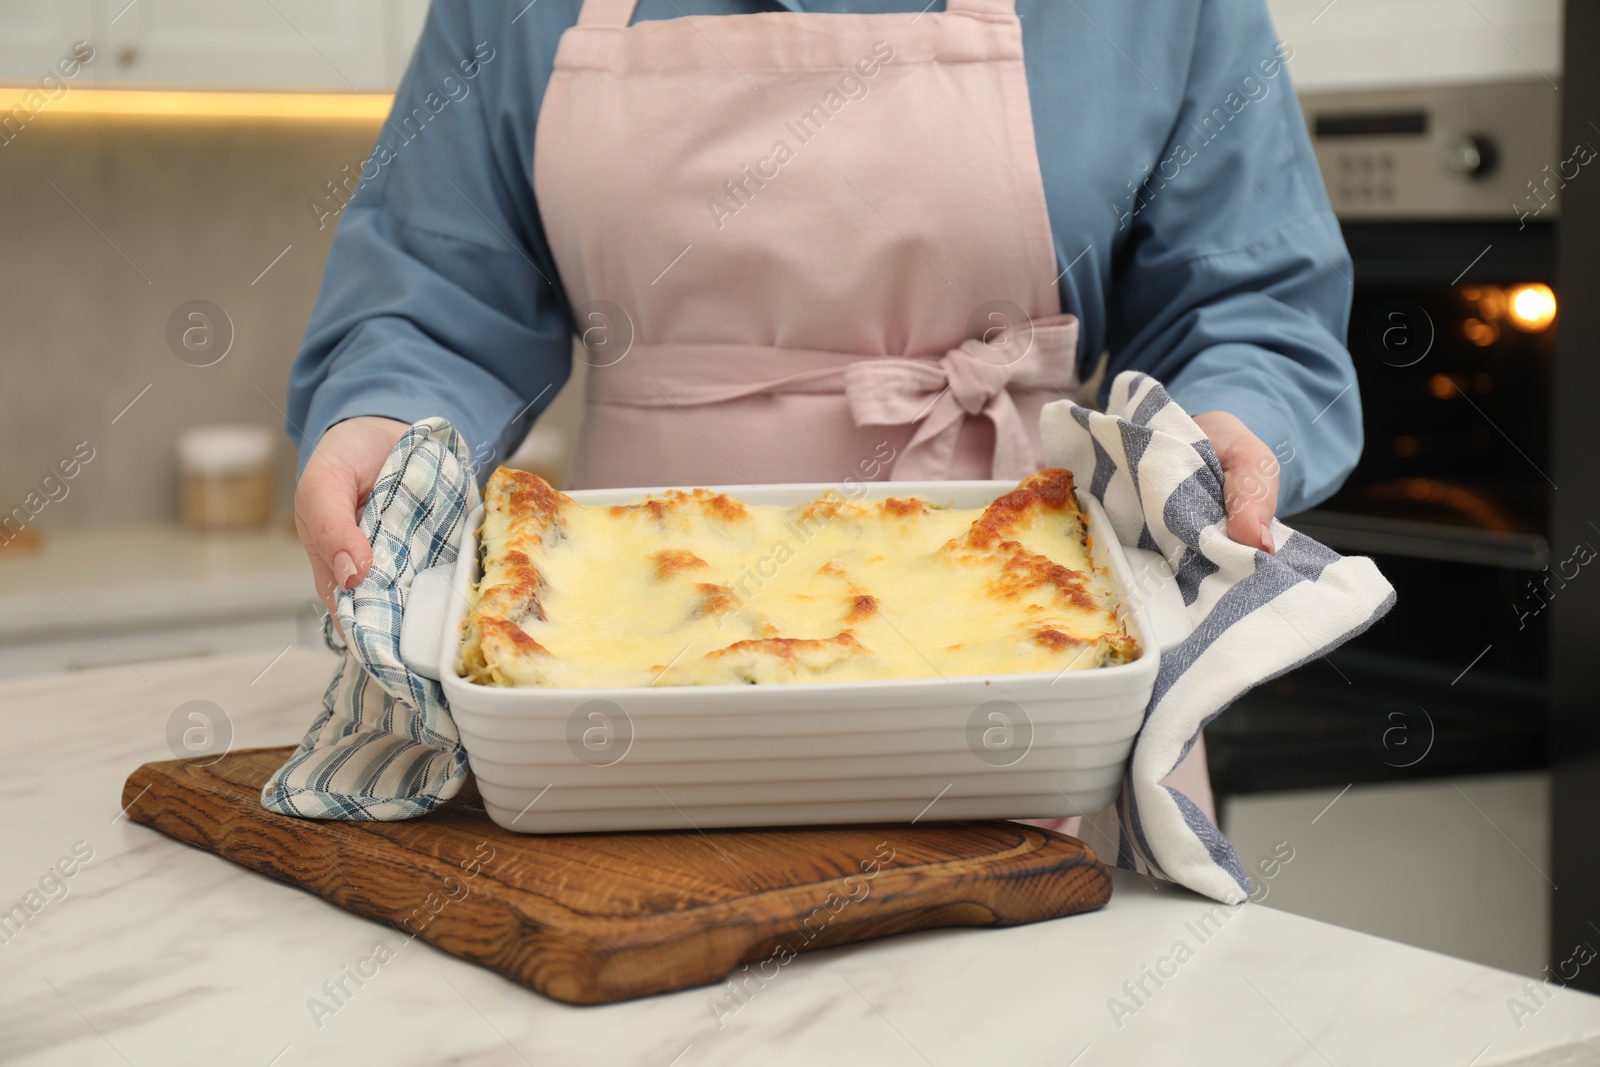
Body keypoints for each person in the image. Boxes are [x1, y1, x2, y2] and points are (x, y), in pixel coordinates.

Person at [286, 0, 1360, 823]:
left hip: (1046, 658)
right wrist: (387, 428)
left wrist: (1224, 428)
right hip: (607, 667)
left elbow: (1244, 301)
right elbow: (438, 297)